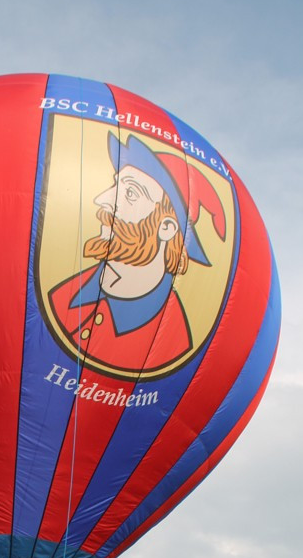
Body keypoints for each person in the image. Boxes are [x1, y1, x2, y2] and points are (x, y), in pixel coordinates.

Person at [48, 132, 226, 377]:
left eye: (130, 193)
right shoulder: (62, 295)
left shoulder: (174, 338)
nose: (102, 200)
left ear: (166, 228)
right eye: (114, 186)